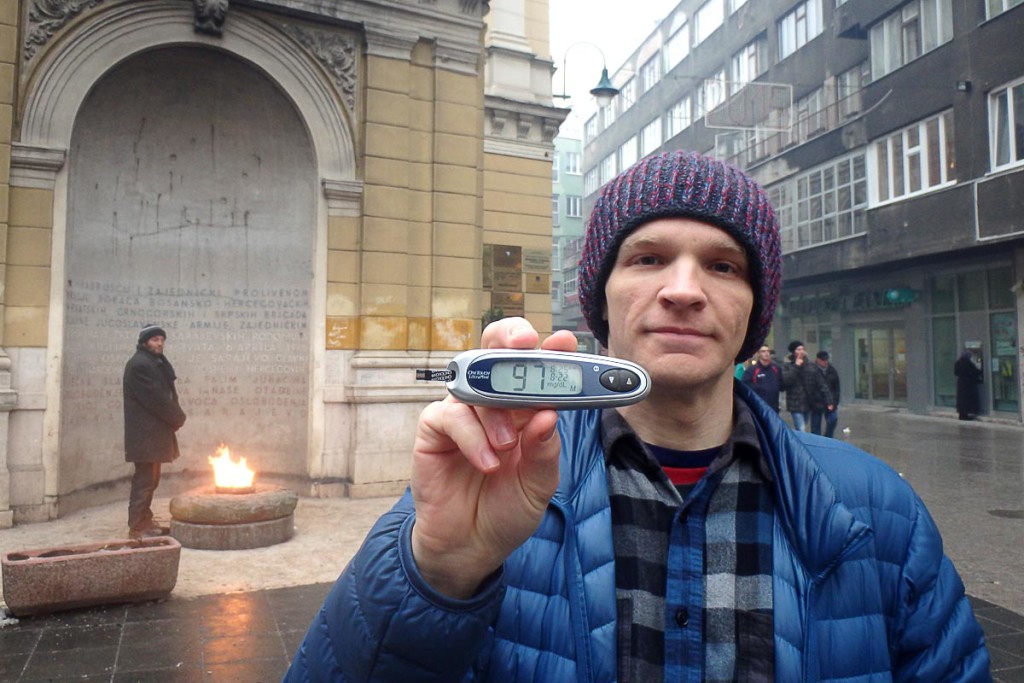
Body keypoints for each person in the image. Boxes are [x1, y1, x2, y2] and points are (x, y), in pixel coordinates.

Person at [286, 151, 989, 681]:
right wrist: (435, 572)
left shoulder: (882, 516)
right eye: (648, 257)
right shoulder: (490, 482)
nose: (683, 290)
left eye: (722, 265)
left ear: (753, 312)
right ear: (601, 302)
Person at [123, 323, 186, 539]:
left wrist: (174, 417)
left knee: (150, 480)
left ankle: (145, 519)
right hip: (145, 434)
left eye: (161, 339)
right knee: (145, 481)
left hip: (152, 433)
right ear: (144, 342)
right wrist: (177, 417)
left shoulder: (153, 362)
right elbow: (157, 399)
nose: (159, 343)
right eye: (154, 340)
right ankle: (138, 526)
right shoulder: (140, 365)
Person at [741, 344, 782, 412]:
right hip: (758, 406)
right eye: (763, 351)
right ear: (758, 354)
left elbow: (781, 384)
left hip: (774, 407)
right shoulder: (752, 370)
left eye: (768, 351)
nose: (766, 353)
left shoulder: (776, 368)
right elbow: (745, 386)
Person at [781, 340, 811, 431]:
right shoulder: (787, 365)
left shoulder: (808, 364)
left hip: (808, 401)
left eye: (802, 349)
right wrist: (796, 366)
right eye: (798, 349)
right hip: (795, 402)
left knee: (803, 427)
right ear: (793, 352)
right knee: (801, 428)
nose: (801, 351)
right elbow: (787, 380)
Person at [810, 350, 841, 437]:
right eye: (823, 360)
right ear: (818, 360)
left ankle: (828, 437)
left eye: (826, 360)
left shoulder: (832, 371)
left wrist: (834, 402)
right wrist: (812, 401)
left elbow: (836, 388)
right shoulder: (812, 370)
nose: (825, 362)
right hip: (816, 403)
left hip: (830, 402)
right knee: (816, 426)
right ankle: (817, 442)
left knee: (833, 420)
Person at [954, 350, 983, 421]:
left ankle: (961, 414)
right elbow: (976, 371)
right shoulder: (968, 363)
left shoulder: (957, 363)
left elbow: (956, 373)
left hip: (960, 383)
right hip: (968, 383)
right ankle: (966, 414)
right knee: (967, 399)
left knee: (961, 399)